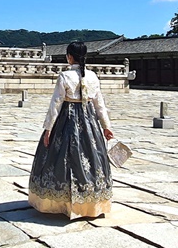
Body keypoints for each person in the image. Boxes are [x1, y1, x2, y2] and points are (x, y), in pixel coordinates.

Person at [28, 41, 115, 219]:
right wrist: (106, 127)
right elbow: (100, 105)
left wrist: (48, 129)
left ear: (70, 56)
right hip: (89, 121)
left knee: (63, 158)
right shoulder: (93, 76)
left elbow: (56, 104)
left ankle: (59, 202)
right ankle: (91, 203)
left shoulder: (65, 76)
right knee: (92, 158)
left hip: (67, 121)